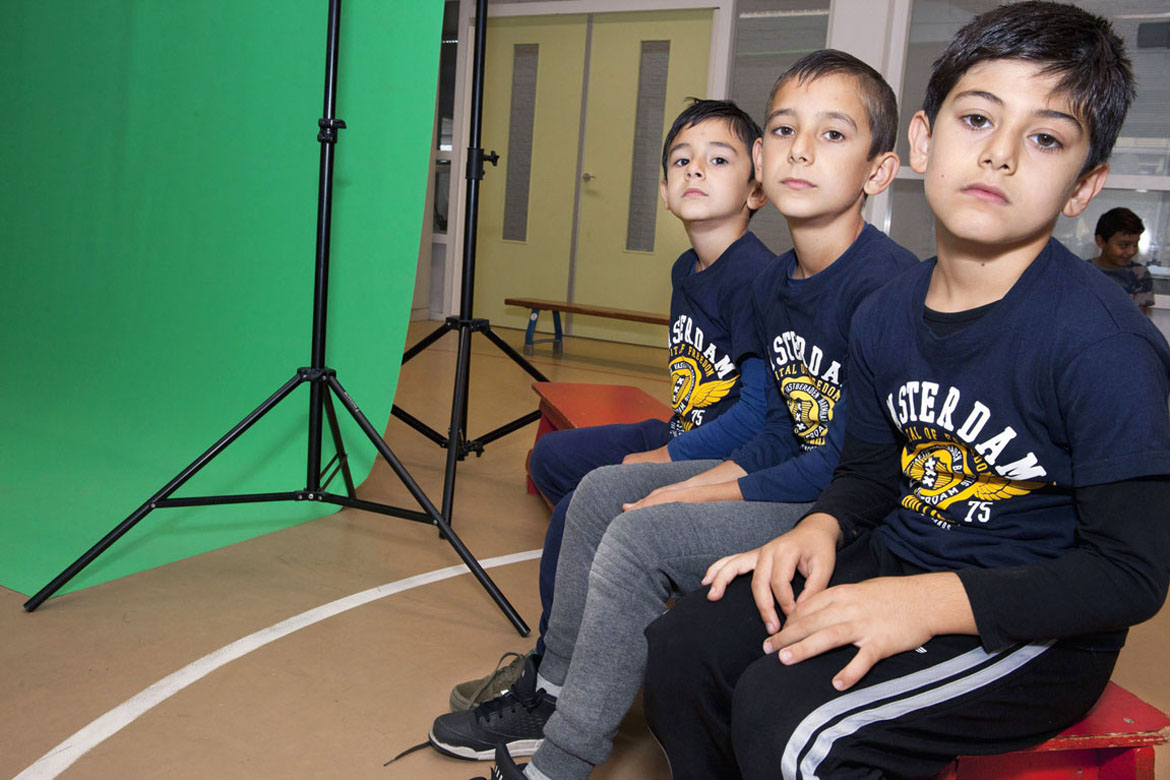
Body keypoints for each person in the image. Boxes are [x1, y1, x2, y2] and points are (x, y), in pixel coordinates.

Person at [643, 4, 1170, 779]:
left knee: (792, 725)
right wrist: (820, 526)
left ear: (1083, 185)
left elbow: (1130, 574)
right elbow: (867, 473)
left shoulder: (1105, 347)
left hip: (1034, 627)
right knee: (683, 648)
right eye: (978, 119)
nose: (998, 155)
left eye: (1046, 139)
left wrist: (927, 603)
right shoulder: (885, 311)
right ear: (923, 140)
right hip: (901, 555)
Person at [431, 50, 916, 779]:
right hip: (795, 477)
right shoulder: (779, 283)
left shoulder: (886, 288)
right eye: (785, 129)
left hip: (845, 511)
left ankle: (562, 760)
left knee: (638, 535)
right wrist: (694, 482)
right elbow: (780, 429)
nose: (802, 150)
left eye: (833, 134)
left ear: (879, 171)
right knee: (600, 490)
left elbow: (841, 466)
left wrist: (697, 492)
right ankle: (553, 692)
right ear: (764, 156)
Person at [445, 98, 774, 714]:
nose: (695, 169)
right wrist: (665, 444)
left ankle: (558, 665)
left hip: (726, 455)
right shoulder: (686, 268)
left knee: (581, 505)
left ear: (756, 189)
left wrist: (665, 459)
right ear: (664, 191)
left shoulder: (758, 278)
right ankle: (608, 602)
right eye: (681, 160)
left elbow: (757, 418)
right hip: (686, 429)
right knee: (551, 457)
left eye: (718, 159)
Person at [1092, 206, 1153, 315]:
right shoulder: (1082, 271)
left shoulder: (1139, 274)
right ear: (1100, 241)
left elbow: (1139, 320)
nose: (1131, 251)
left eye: (1135, 244)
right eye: (1124, 245)